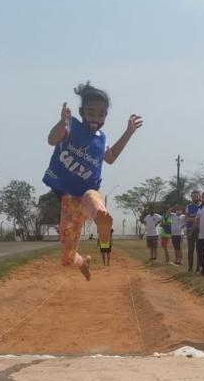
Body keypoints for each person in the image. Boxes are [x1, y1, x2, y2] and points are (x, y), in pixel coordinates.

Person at [43, 82, 143, 280]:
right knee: (67, 258)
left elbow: (111, 157)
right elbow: (52, 140)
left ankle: (101, 219)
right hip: (69, 199)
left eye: (101, 114)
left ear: (106, 116)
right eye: (91, 112)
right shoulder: (71, 126)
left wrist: (129, 132)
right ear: (81, 111)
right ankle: (83, 262)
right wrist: (61, 122)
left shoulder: (101, 138)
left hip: (88, 195)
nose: (96, 118)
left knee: (91, 197)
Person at [184, 190, 203, 272]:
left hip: (200, 230)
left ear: (199, 197)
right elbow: (186, 219)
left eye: (196, 196)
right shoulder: (188, 206)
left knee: (199, 249)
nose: (195, 197)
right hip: (190, 230)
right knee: (190, 250)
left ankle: (198, 267)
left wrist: (195, 220)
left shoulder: (203, 206)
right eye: (193, 196)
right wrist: (194, 219)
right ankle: (190, 267)